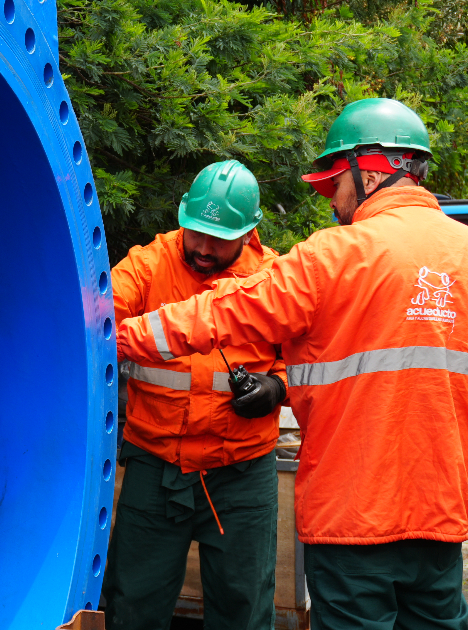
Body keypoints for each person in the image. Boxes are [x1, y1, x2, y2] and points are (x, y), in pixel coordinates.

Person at [115, 98, 468, 629]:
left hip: (353, 518)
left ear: (368, 174)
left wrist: (113, 337)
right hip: (441, 520)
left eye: (334, 184)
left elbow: (225, 311)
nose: (331, 203)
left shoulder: (334, 256)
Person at [102, 160, 289, 630]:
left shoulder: (275, 279)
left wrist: (278, 387)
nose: (203, 249)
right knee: (133, 606)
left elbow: (309, 356)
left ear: (249, 233)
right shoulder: (147, 265)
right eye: (195, 233)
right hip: (154, 464)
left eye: (219, 239)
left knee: (244, 608)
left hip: (243, 474)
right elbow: (96, 325)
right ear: (182, 219)